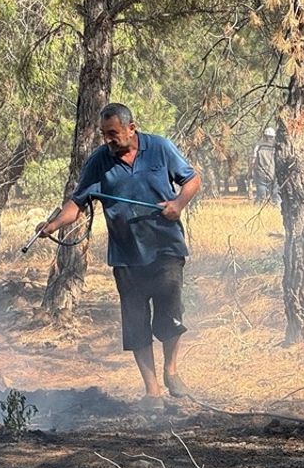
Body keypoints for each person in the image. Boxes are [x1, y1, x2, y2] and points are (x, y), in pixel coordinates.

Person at [37, 103, 202, 408]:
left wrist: (178, 204)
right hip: (126, 256)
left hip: (166, 247)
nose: (108, 140)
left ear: (131, 128)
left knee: (170, 315)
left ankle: (171, 372)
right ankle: (152, 391)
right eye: (104, 134)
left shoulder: (160, 148)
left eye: (113, 133)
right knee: (137, 324)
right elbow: (77, 204)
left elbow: (192, 181)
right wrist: (53, 225)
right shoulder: (99, 162)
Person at [250, 128, 279, 204]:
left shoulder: (258, 146)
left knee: (261, 194)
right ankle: (275, 207)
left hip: (261, 173)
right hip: (273, 173)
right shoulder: (277, 147)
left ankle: (260, 206)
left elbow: (253, 160)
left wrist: (250, 171)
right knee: (275, 195)